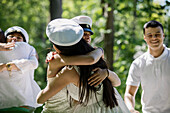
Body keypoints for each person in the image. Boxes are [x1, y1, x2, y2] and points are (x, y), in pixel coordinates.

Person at [37, 19, 126, 113]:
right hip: (112, 106)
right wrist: (100, 51)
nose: (87, 37)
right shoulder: (95, 57)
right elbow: (91, 60)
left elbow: (40, 99)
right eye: (84, 34)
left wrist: (106, 72)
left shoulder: (69, 69)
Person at [124, 20, 170, 113]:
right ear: (145, 38)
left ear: (163, 35)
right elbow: (129, 94)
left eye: (157, 34)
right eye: (150, 35)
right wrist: (131, 109)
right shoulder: (138, 63)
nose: (154, 38)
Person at [0, 26, 41, 112]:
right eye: (11, 36)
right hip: (3, 102)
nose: (14, 38)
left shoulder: (30, 49)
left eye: (19, 37)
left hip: (23, 101)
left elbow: (33, 63)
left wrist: (8, 66)